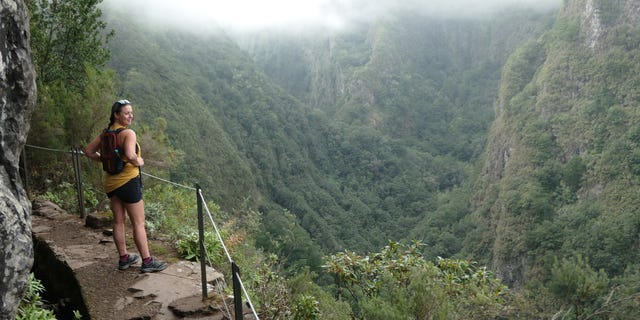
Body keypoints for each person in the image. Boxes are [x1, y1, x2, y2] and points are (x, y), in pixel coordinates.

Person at [84, 99, 167, 273]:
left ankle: (124, 258)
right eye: (127, 113)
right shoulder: (128, 134)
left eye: (131, 112)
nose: (131, 116)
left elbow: (88, 151)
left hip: (111, 183)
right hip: (129, 182)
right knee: (138, 223)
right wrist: (139, 161)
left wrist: (104, 160)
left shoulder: (105, 133)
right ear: (116, 114)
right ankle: (147, 261)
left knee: (118, 221)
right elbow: (130, 155)